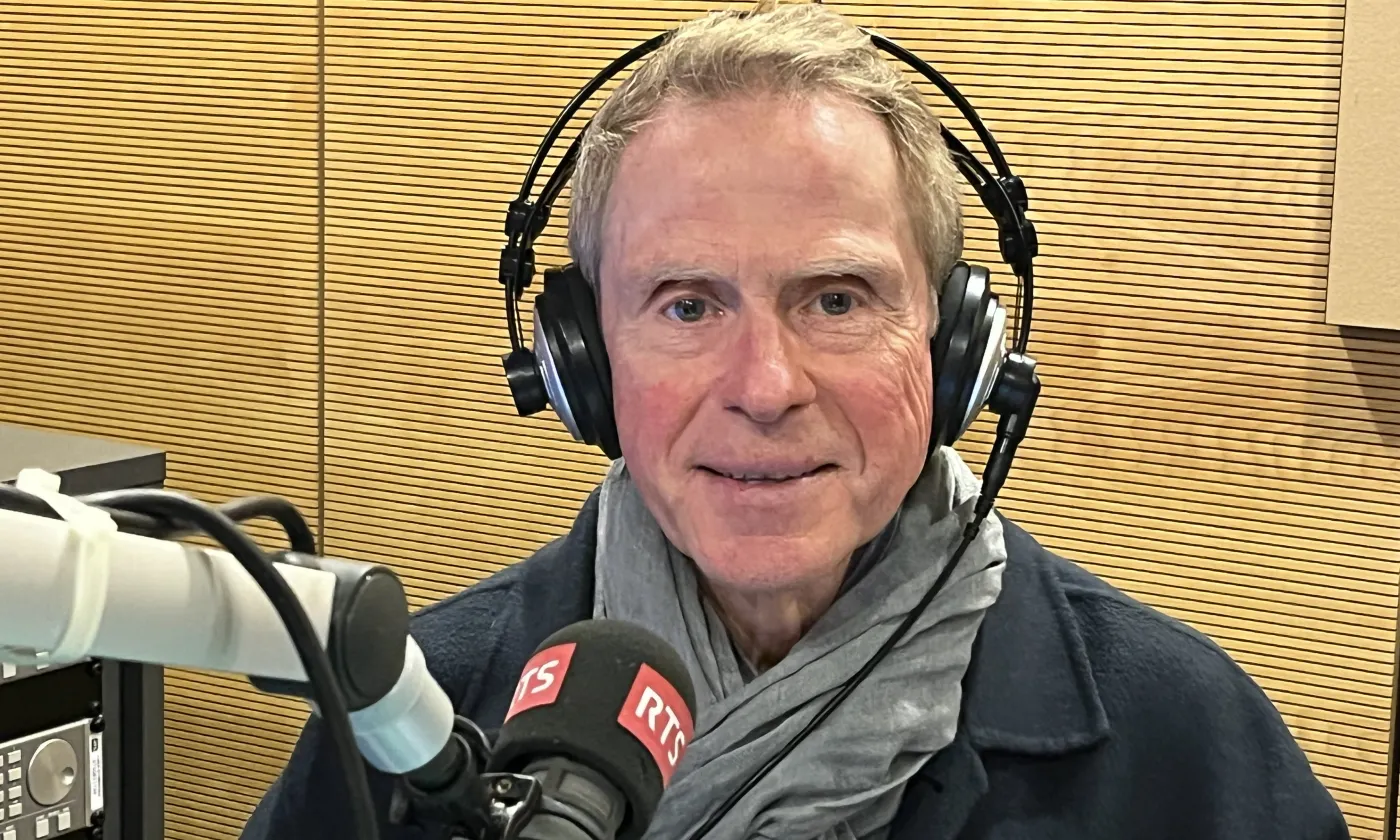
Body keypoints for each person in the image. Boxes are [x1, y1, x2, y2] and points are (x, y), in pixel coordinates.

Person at [241, 3, 1349, 838]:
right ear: (580, 362)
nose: (764, 384)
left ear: (955, 345)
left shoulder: (1181, 743)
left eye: (835, 299)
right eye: (685, 304)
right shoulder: (411, 719)